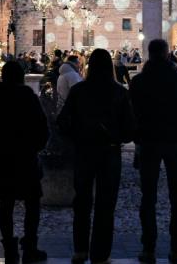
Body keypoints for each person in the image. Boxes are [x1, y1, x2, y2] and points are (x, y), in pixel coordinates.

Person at [57, 49, 136, 264]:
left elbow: (63, 121)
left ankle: (80, 250)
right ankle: (101, 254)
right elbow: (130, 128)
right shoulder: (119, 92)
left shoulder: (79, 91)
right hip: (109, 152)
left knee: (82, 201)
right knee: (106, 205)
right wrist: (117, 136)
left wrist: (76, 136)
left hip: (84, 150)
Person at [129, 39, 177, 263]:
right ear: (167, 53)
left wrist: (136, 136)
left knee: (148, 196)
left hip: (149, 141)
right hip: (176, 141)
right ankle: (176, 248)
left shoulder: (139, 81)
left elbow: (131, 112)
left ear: (150, 54)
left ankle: (148, 247)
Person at [0, 61, 50, 264]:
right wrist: (33, 147)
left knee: (5, 205)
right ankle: (30, 247)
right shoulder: (30, 99)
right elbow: (43, 130)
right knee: (32, 204)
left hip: (2, 159)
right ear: (21, 77)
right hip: (27, 160)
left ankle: (10, 249)